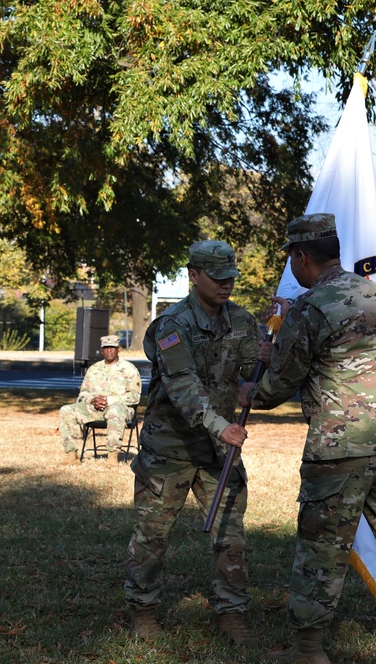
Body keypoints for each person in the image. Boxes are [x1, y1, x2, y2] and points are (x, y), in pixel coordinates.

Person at [238, 213, 376, 664]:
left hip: (342, 443)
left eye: (292, 259)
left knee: (322, 546)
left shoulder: (310, 306)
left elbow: (279, 385)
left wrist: (250, 388)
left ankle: (308, 651)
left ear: (301, 257)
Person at [124, 240, 261, 648]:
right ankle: (143, 611)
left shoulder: (242, 320)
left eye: (231, 278)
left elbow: (253, 374)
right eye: (217, 278)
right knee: (153, 534)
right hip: (171, 448)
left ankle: (232, 615)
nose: (226, 286)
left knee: (230, 535)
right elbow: (184, 388)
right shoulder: (173, 325)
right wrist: (221, 426)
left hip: (218, 453)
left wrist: (264, 371)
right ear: (194, 275)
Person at [58, 334, 142, 465]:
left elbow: (134, 397)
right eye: (106, 348)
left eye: (112, 348)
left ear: (118, 349)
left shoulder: (129, 369)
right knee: (66, 410)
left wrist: (109, 400)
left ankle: (113, 455)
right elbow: (83, 393)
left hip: (121, 409)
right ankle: (71, 455)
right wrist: (92, 400)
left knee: (114, 410)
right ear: (102, 350)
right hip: (94, 408)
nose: (109, 350)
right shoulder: (94, 369)